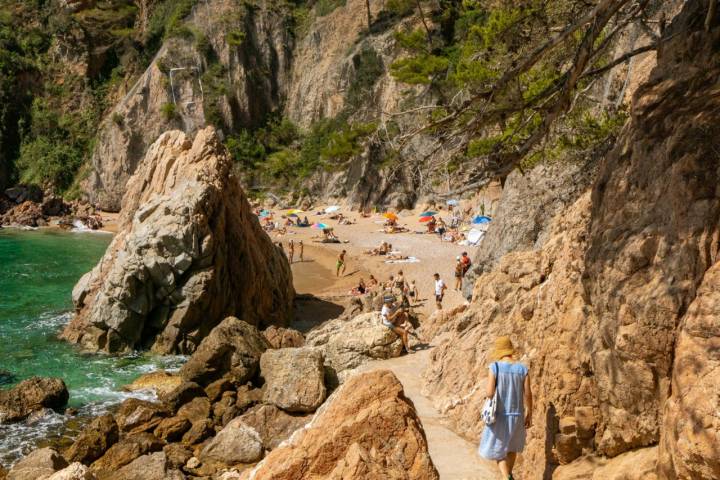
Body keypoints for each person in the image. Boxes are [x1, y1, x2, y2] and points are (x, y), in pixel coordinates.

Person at [478, 337, 532, 480]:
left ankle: (505, 476)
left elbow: (489, 393)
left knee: (498, 450)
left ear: (499, 351)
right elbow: (528, 394)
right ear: (510, 350)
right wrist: (529, 412)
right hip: (517, 415)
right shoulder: (522, 369)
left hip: (500, 416)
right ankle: (509, 474)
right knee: (512, 448)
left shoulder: (494, 367)